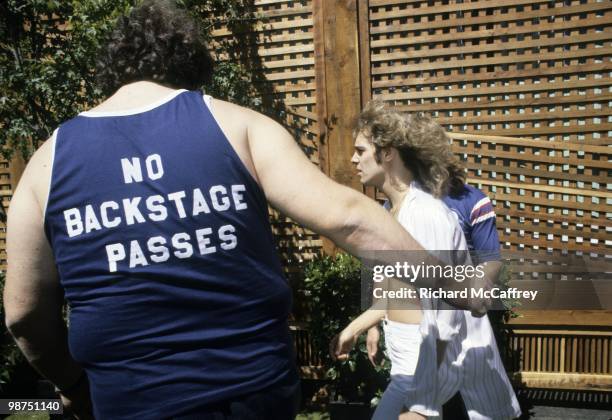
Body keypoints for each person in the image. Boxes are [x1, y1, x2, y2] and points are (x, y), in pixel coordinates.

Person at [2, 2, 459, 419]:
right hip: (253, 394)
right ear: (190, 65)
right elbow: (349, 217)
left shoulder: (45, 163)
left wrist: (73, 383)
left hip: (129, 402)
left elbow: (23, 313)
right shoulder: (236, 125)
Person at [331, 101, 473, 420]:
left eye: (361, 150)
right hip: (407, 372)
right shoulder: (389, 213)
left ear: (388, 152)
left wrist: (422, 405)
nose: (353, 159)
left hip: (420, 378)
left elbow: (445, 310)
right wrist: (363, 327)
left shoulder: (423, 215)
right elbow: (400, 294)